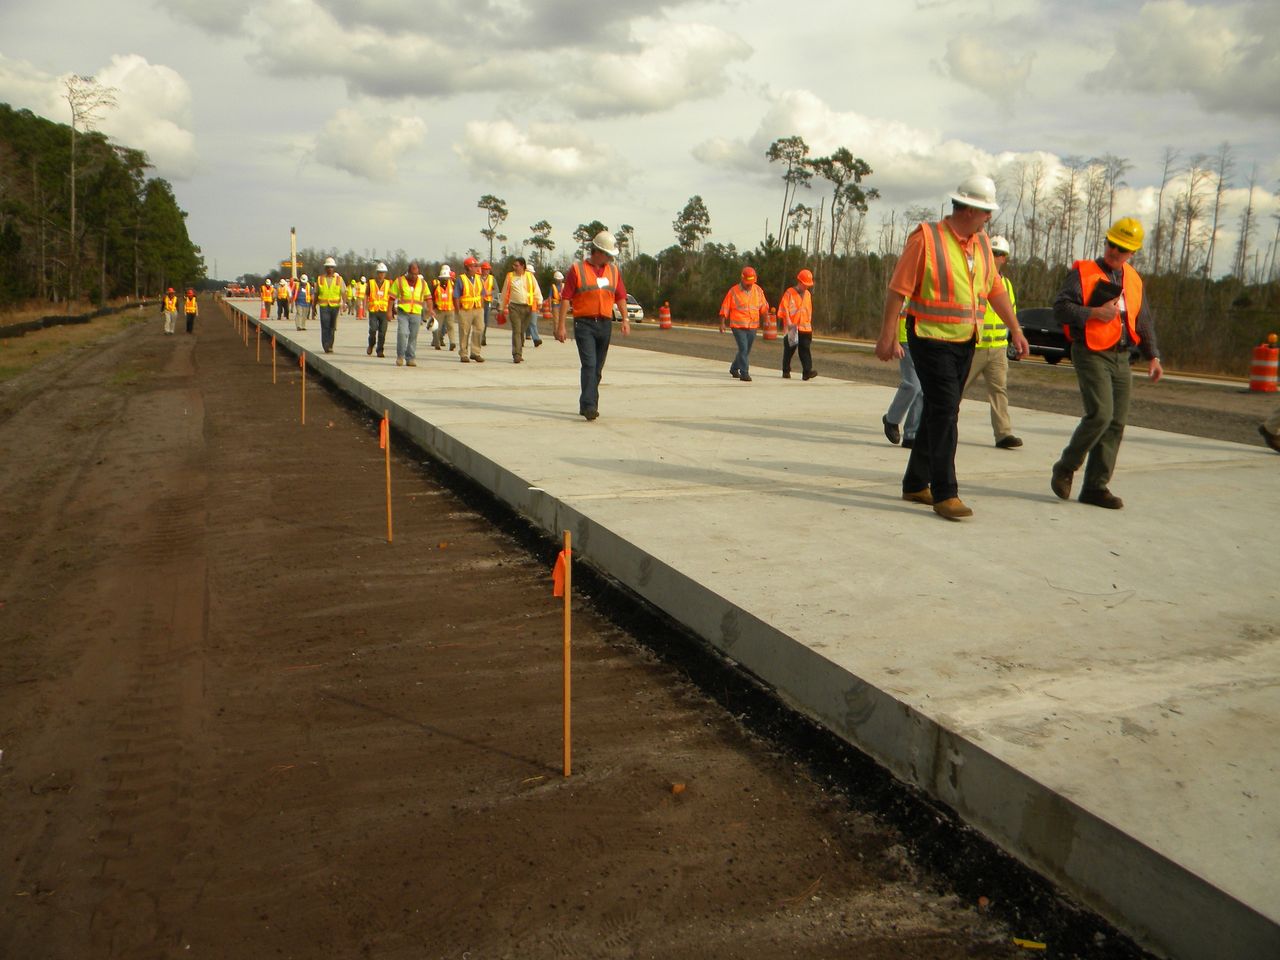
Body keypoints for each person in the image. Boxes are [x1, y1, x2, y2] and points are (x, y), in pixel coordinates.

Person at [874, 175, 1029, 521]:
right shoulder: (926, 239)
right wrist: (887, 335)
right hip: (928, 337)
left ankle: (915, 482)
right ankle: (946, 492)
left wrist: (1015, 329)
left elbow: (994, 291)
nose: (989, 217)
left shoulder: (982, 244)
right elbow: (898, 289)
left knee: (937, 410)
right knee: (946, 410)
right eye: (985, 211)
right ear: (969, 208)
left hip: (964, 340)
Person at [1051, 217, 1163, 509]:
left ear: (1132, 252)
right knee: (1100, 414)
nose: (1115, 251)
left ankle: (1095, 487)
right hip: (1090, 351)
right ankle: (1066, 466)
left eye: (1123, 248)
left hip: (1122, 356)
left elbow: (1143, 319)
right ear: (1106, 242)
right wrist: (1092, 313)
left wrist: (1153, 355)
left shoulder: (1134, 280)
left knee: (1116, 422)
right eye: (1112, 244)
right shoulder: (1083, 273)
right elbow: (1060, 308)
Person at [555, 230, 628, 420]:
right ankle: (589, 406)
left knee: (597, 368)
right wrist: (561, 325)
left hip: (605, 324)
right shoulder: (577, 270)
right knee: (589, 364)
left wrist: (625, 319)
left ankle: (587, 403)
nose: (611, 259)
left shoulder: (613, 271)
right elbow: (565, 299)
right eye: (609, 255)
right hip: (584, 324)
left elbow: (620, 296)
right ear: (598, 251)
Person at [964, 235, 1022, 448]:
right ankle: (939, 427)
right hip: (975, 346)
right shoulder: (977, 279)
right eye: (992, 253)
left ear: (1004, 258)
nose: (995, 257)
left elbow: (1011, 313)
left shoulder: (1006, 284)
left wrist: (1015, 336)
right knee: (955, 391)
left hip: (998, 349)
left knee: (999, 391)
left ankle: (1003, 434)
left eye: (999, 254)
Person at [882, 304, 923, 449]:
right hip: (906, 340)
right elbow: (894, 315)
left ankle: (911, 434)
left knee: (922, 390)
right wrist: (895, 342)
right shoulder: (909, 285)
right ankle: (891, 419)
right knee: (912, 385)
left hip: (924, 340)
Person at [718, 266, 769, 381]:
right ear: (742, 279)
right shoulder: (734, 291)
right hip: (738, 326)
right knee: (743, 348)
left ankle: (734, 368)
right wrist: (722, 323)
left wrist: (766, 319)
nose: (749, 285)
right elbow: (725, 307)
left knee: (746, 350)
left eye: (751, 283)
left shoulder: (758, 291)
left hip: (752, 326)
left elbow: (763, 306)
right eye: (747, 283)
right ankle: (744, 372)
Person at [501, 257, 543, 363]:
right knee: (517, 330)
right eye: (513, 265)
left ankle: (519, 351)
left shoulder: (530, 276)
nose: (514, 267)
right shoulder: (510, 276)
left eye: (516, 265)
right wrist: (502, 307)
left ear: (523, 266)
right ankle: (516, 354)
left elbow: (536, 289)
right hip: (514, 307)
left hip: (527, 307)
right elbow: (505, 292)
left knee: (522, 331)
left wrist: (539, 301)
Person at [778, 268, 817, 380]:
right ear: (799, 281)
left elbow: (808, 310)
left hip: (805, 327)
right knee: (790, 349)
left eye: (808, 285)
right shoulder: (789, 293)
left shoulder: (808, 295)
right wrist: (788, 322)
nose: (806, 287)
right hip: (793, 327)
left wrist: (809, 324)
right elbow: (784, 308)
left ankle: (807, 372)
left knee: (805, 349)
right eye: (805, 284)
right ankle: (786, 370)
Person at [391, 261, 432, 367]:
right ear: (408, 272)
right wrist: (388, 311)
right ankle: (400, 356)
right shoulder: (399, 281)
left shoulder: (423, 283)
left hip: (416, 313)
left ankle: (410, 358)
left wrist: (430, 310)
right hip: (403, 312)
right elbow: (391, 297)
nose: (414, 276)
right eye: (412, 274)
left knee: (413, 336)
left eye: (416, 274)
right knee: (402, 333)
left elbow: (428, 297)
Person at [456, 257, 487, 363]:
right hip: (465, 309)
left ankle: (475, 352)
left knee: (479, 329)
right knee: (464, 332)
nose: (477, 268)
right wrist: (458, 311)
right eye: (475, 266)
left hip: (478, 308)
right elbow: (456, 296)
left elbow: (483, 294)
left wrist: (482, 307)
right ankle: (463, 354)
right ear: (468, 267)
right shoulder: (461, 279)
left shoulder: (479, 279)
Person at [315, 257, 345, 354]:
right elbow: (316, 293)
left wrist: (344, 303)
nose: (330, 269)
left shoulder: (339, 279)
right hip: (324, 306)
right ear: (325, 268)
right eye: (328, 267)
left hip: (334, 306)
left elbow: (343, 292)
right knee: (325, 326)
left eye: (331, 267)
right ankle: (326, 345)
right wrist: (313, 305)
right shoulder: (320, 279)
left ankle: (330, 344)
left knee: (332, 326)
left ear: (334, 268)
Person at [366, 262, 391, 357]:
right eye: (380, 272)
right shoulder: (371, 283)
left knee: (382, 332)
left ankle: (380, 350)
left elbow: (391, 297)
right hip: (373, 310)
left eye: (383, 272)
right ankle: (371, 345)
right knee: (372, 330)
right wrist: (365, 306)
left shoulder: (389, 284)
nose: (381, 274)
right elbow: (366, 295)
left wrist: (391, 310)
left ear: (385, 274)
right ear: (377, 273)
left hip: (384, 311)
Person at [432, 265, 457, 351]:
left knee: (451, 327)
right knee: (437, 328)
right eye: (443, 278)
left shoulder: (452, 285)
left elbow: (455, 297)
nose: (445, 280)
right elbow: (432, 297)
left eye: (446, 278)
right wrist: (432, 308)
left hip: (450, 310)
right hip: (439, 310)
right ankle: (437, 343)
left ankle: (452, 342)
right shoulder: (436, 285)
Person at [480, 261, 494, 346]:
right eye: (484, 269)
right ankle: (480, 337)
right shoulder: (477, 278)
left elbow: (496, 290)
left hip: (488, 301)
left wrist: (490, 292)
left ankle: (483, 336)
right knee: (479, 320)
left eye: (488, 269)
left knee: (486, 320)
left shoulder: (492, 279)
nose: (486, 271)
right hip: (479, 301)